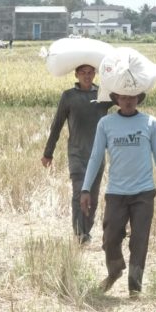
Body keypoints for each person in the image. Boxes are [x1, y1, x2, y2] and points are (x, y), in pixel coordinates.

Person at [80, 92, 156, 297]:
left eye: (132, 96)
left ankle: (135, 286)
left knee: (139, 240)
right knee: (110, 237)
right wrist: (86, 189)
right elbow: (96, 157)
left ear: (139, 98)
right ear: (116, 100)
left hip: (143, 194)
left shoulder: (150, 123)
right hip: (116, 193)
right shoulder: (106, 124)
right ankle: (114, 271)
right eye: (123, 97)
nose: (128, 101)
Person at [41, 64, 113, 244]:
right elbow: (57, 125)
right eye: (83, 73)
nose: (87, 76)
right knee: (79, 193)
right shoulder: (69, 96)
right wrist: (48, 152)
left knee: (93, 197)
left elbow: (125, 100)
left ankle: (86, 231)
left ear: (95, 74)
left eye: (90, 73)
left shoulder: (103, 95)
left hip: (97, 155)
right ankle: (80, 233)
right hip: (76, 154)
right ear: (76, 74)